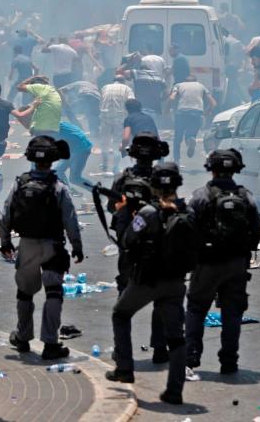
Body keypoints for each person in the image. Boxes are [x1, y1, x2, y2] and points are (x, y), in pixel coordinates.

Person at [106, 163, 194, 406]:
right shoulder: (188, 212)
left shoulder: (146, 214)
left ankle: (124, 368)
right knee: (176, 338)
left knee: (120, 314)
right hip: (176, 282)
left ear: (152, 187)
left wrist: (123, 212)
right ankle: (174, 391)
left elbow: (126, 241)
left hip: (146, 281)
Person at [1, 136, 84, 360]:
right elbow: (70, 220)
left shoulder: (20, 183)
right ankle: (50, 343)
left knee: (24, 293)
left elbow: (7, 212)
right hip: (53, 246)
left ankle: (22, 337)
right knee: (54, 293)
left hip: (26, 245)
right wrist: (77, 246)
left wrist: (5, 241)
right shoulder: (58, 187)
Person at [184, 150, 260, 374]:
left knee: (197, 308)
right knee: (233, 312)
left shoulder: (201, 195)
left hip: (207, 263)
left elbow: (188, 227)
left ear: (211, 169)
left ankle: (192, 354)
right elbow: (255, 230)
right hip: (237, 263)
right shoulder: (246, 196)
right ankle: (229, 361)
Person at [106, 132, 170, 363]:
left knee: (124, 299)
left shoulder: (123, 179)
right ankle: (160, 348)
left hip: (129, 249)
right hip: (156, 248)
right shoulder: (163, 179)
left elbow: (111, 207)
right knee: (160, 296)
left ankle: (121, 351)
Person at [169, 76, 215, 162]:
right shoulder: (201, 86)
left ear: (185, 81)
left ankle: (177, 160)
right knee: (191, 134)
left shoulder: (178, 85)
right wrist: (206, 112)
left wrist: (167, 109)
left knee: (177, 138)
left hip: (182, 112)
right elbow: (213, 103)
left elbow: (172, 98)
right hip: (197, 113)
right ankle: (191, 139)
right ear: (195, 81)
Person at [99, 75, 135, 174]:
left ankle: (104, 164)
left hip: (104, 115)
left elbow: (101, 100)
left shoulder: (105, 87)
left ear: (114, 81)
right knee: (117, 142)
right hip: (120, 116)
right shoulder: (127, 88)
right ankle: (115, 167)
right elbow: (131, 101)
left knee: (105, 140)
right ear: (123, 81)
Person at [53, 121, 93, 190]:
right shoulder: (57, 123)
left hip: (80, 149)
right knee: (58, 171)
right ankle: (68, 191)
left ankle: (97, 192)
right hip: (77, 147)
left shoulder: (51, 130)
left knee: (74, 178)